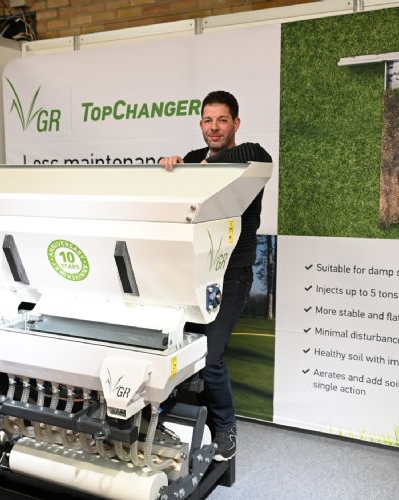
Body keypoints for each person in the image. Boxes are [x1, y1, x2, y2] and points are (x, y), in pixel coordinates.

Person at [161, 90, 271, 461]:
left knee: (210, 359)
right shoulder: (193, 159)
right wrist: (174, 167)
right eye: (208, 120)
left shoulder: (251, 158)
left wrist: (200, 166)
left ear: (235, 123)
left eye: (222, 120)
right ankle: (172, 417)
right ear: (200, 124)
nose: (214, 127)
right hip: (194, 272)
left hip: (232, 276)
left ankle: (225, 429)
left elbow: (254, 154)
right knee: (180, 350)